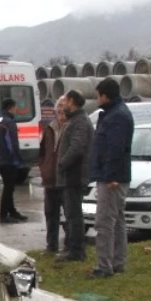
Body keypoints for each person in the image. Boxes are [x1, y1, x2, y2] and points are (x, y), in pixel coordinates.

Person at [89, 79, 134, 278]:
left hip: (112, 177)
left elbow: (115, 149)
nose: (97, 99)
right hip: (113, 174)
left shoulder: (117, 117)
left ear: (105, 95)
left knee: (105, 221)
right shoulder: (112, 113)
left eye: (98, 95)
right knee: (117, 220)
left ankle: (104, 266)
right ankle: (118, 262)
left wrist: (111, 176)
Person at [56, 90, 93, 263]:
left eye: (66, 104)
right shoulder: (75, 120)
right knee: (70, 214)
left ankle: (77, 250)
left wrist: (63, 163)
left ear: (73, 102)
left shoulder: (80, 122)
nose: (64, 108)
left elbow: (77, 147)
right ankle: (71, 247)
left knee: (74, 214)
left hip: (74, 174)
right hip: (70, 174)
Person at [37, 96, 68, 253]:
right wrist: (43, 167)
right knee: (50, 214)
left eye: (64, 105)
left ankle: (70, 245)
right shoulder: (49, 128)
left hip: (65, 179)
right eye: (59, 106)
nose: (61, 109)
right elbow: (43, 152)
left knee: (69, 214)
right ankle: (51, 245)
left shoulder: (71, 127)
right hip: (50, 178)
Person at [0, 97, 27, 223]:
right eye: (15, 107)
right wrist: (19, 159)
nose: (16, 109)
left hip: (1, 157)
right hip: (9, 160)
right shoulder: (9, 122)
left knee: (9, 187)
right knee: (8, 188)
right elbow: (13, 143)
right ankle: (4, 215)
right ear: (10, 107)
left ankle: (12, 211)